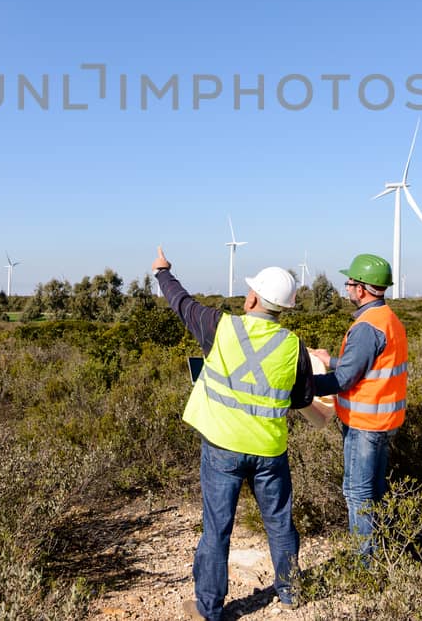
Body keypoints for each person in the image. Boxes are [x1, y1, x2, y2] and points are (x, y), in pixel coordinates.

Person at [152, 245, 314, 621]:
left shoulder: (221, 327)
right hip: (269, 450)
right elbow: (303, 396)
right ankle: (290, 591)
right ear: (284, 306)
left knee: (216, 530)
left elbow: (181, 303)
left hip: (222, 448)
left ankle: (208, 608)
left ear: (254, 296)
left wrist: (163, 271)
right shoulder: (293, 346)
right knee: (279, 523)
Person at [309, 253, 407, 559]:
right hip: (384, 421)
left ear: (362, 289)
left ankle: (365, 565)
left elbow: (345, 379)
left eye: (349, 283)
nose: (347, 289)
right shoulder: (388, 319)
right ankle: (379, 557)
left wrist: (303, 383)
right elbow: (368, 366)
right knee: (375, 492)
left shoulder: (366, 327)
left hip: (364, 426)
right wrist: (329, 360)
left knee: (358, 494)